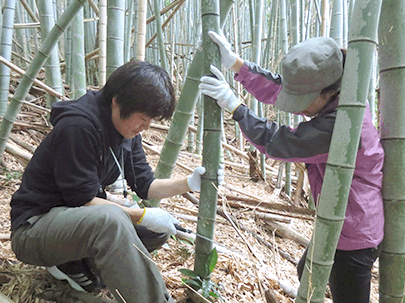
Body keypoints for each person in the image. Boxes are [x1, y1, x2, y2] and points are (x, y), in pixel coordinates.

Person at [10, 60, 223, 303]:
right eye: (143, 118)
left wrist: (189, 182)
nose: (145, 127)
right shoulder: (78, 127)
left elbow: (146, 185)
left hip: (74, 224)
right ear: (117, 101)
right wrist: (140, 215)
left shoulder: (125, 130)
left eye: (151, 121)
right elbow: (84, 202)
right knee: (113, 220)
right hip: (34, 229)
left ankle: (76, 268)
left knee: (154, 230)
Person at [199, 31, 384, 303]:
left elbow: (280, 142)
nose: (299, 106)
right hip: (337, 222)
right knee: (306, 273)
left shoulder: (344, 124)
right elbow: (281, 88)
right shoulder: (337, 96)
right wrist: (237, 64)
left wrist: (236, 107)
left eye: (303, 101)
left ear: (328, 91)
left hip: (355, 232)